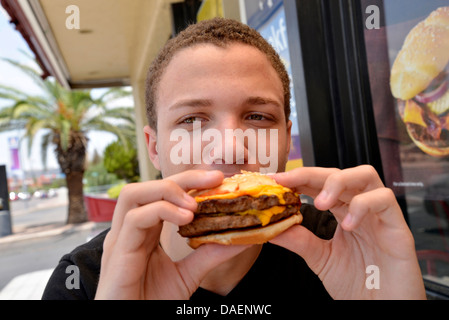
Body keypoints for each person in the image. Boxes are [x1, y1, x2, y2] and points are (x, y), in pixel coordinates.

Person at [42, 17, 425, 300]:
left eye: (257, 116)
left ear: (285, 140)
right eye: (192, 120)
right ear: (154, 146)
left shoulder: (343, 244)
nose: (229, 148)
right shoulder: (89, 280)